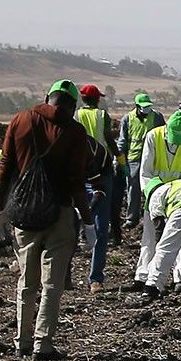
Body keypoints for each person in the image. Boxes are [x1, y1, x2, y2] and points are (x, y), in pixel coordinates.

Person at [0, 83, 92, 359]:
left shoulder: (21, 119)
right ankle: (42, 343)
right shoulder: (74, 132)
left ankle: (21, 342)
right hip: (59, 214)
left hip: (24, 215)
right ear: (72, 105)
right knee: (52, 284)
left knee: (27, 282)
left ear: (47, 98)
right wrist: (88, 221)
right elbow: (76, 181)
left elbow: (5, 168)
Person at [136, 109, 181, 283]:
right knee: (150, 238)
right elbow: (146, 172)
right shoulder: (153, 137)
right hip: (155, 194)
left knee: (179, 239)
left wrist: (180, 198)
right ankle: (143, 275)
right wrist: (155, 199)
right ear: (167, 130)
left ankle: (179, 278)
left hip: (179, 198)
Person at [71, 86, 117, 291]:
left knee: (71, 222)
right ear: (96, 100)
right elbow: (108, 137)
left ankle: (65, 277)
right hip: (100, 166)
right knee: (100, 226)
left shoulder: (75, 115)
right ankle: (95, 278)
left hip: (79, 168)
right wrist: (120, 157)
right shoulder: (101, 115)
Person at [117, 93, 164, 234]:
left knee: (154, 189)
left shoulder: (157, 117)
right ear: (137, 106)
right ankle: (132, 219)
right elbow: (123, 140)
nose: (147, 109)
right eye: (144, 107)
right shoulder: (127, 119)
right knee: (133, 189)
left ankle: (156, 217)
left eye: (149, 106)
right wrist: (120, 160)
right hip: (134, 159)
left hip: (153, 158)